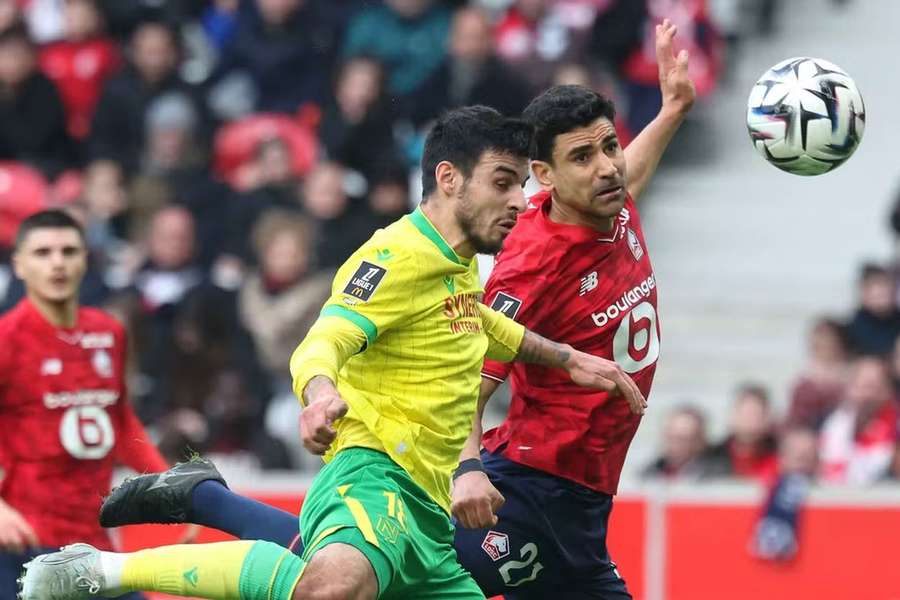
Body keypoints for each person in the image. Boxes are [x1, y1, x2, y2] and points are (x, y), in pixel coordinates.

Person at [55, 19, 693, 600]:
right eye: (582, 157)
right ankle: (164, 533)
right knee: (335, 581)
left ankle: (200, 499)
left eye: (610, 147)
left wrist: (670, 111)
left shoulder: (587, 206)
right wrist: (464, 465)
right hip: (516, 486)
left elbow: (483, 318)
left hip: (578, 500)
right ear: (544, 177)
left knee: (348, 577)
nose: (609, 168)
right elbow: (423, 358)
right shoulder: (510, 256)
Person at [0, 210, 167, 600]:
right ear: (19, 265)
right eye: (42, 252)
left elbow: (120, 419)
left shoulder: (108, 332)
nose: (57, 262)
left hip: (93, 543)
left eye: (68, 250)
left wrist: (171, 485)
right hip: (25, 541)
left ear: (85, 260)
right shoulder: (7, 339)